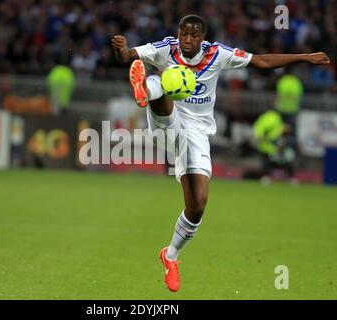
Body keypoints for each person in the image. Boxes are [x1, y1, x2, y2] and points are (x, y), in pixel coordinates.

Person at [111, 14, 330, 292]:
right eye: (183, 34)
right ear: (178, 33)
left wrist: (306, 57)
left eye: (193, 35)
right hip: (168, 120)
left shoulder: (218, 54)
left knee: (197, 206)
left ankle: (171, 255)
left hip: (198, 133)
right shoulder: (167, 48)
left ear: (202, 38)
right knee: (164, 81)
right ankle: (146, 88)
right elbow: (127, 56)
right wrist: (121, 50)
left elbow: (261, 62)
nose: (187, 40)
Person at [253, 109, 296, 184]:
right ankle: (291, 178)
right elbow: (281, 129)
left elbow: (258, 130)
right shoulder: (277, 118)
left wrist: (262, 138)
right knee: (286, 160)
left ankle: (266, 177)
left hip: (269, 146)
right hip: (273, 146)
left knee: (267, 161)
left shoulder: (263, 118)